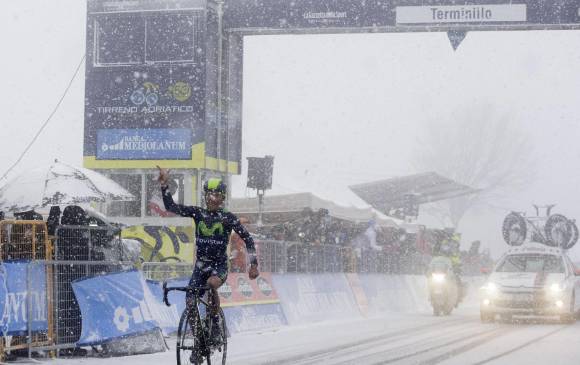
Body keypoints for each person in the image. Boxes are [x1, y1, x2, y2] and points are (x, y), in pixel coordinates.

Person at [157, 166, 259, 345]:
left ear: (222, 197)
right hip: (200, 266)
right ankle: (200, 340)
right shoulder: (198, 213)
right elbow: (170, 206)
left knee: (212, 284)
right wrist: (164, 185)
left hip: (219, 266)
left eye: (216, 194)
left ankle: (216, 324)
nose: (212, 198)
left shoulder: (228, 218)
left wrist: (254, 265)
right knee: (190, 301)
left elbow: (248, 240)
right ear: (205, 196)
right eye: (209, 194)